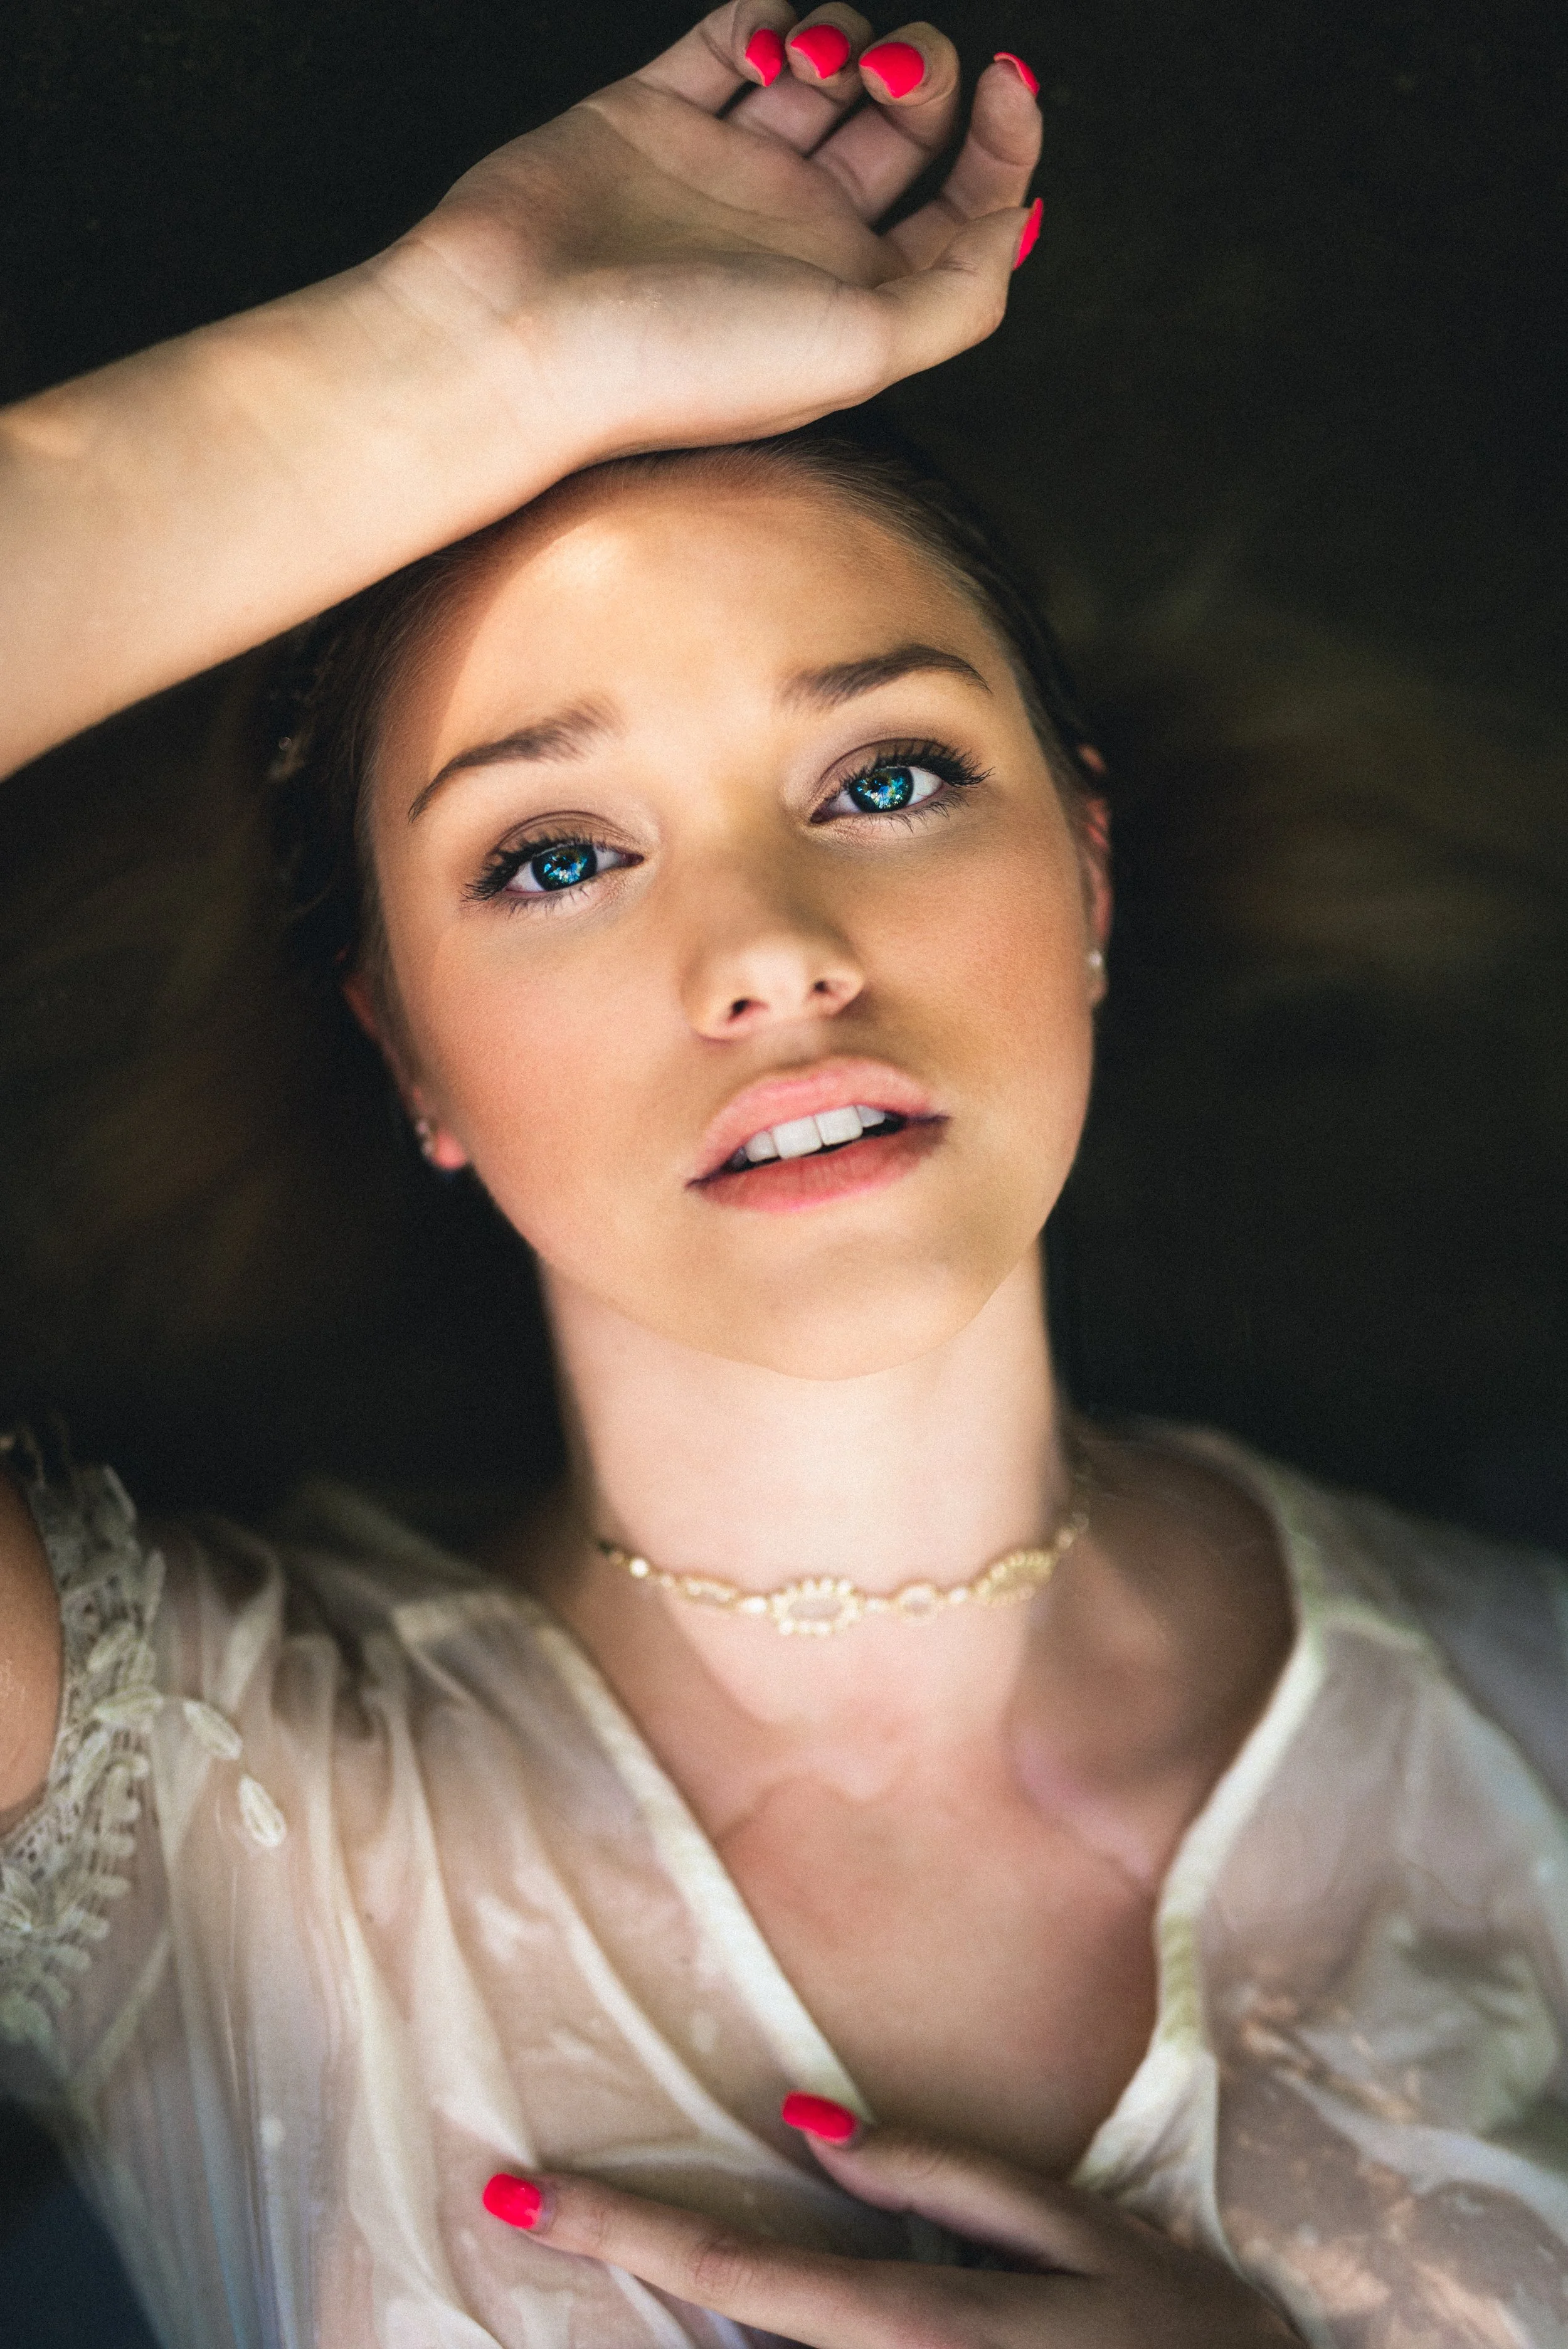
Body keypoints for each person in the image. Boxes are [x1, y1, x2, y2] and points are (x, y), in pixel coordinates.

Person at [1, 8, 1565, 2345]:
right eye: (550, 855)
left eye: (885, 779)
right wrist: (456, 350)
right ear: (401, 1046)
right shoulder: (218, 1834)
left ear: (1092, 869)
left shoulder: (1535, 1720)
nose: (766, 957)